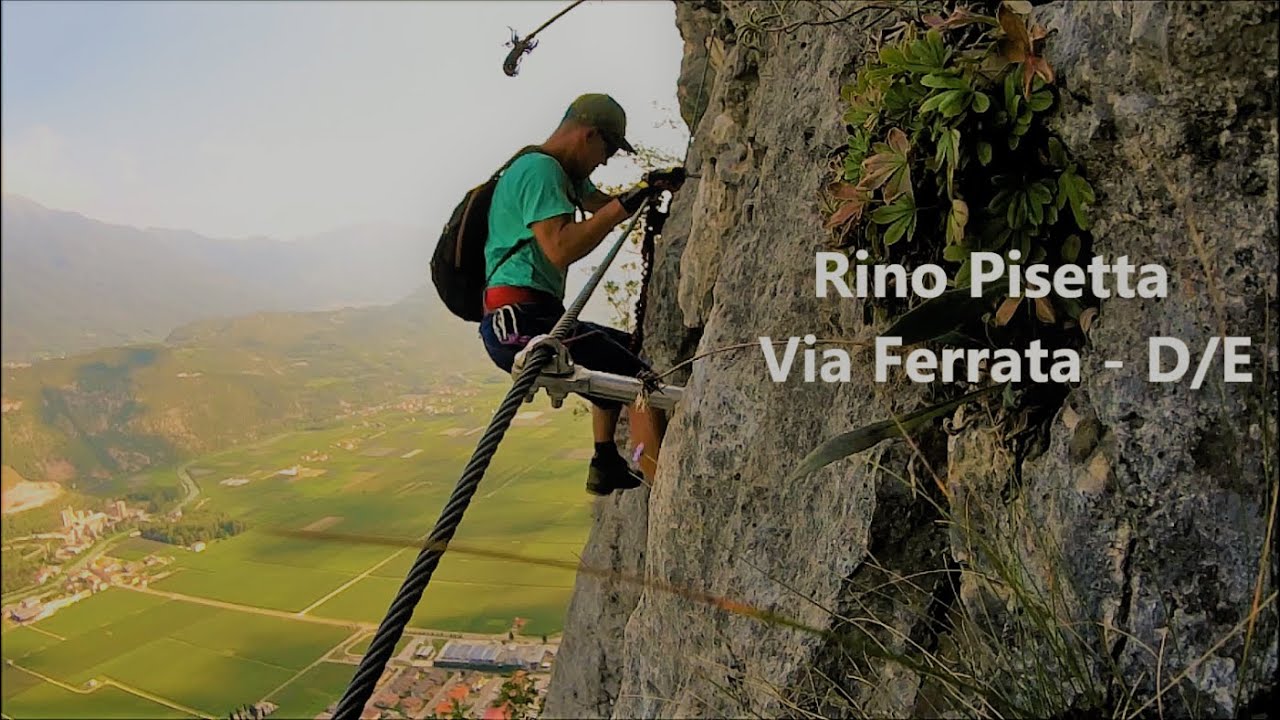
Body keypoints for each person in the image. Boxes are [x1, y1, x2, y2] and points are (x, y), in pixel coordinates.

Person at [479, 93, 684, 496]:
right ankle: (665, 496)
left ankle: (604, 460)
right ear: (588, 135)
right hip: (519, 321)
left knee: (622, 352)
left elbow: (600, 205)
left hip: (534, 316)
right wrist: (624, 206)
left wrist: (649, 189)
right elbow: (561, 249)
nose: (605, 160)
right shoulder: (540, 170)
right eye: (606, 148)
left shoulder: (565, 176)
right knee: (641, 383)